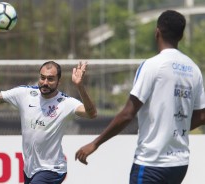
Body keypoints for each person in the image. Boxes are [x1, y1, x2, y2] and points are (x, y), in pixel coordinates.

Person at [75, 10, 205, 184]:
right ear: (181, 36)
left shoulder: (152, 66)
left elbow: (128, 113)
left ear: (157, 32)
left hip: (152, 163)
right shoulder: (193, 69)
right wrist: (172, 128)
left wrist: (95, 143)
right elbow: (202, 115)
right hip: (179, 164)